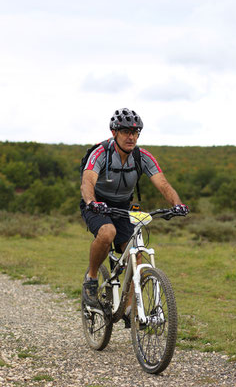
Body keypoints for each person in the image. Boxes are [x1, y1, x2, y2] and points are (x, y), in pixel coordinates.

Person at [80, 108, 189, 311]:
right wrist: (91, 202)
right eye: (126, 131)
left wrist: (177, 204)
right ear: (114, 133)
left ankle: (129, 309)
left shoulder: (142, 156)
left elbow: (163, 184)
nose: (131, 137)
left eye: (135, 132)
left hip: (122, 207)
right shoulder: (101, 153)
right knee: (107, 232)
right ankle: (92, 277)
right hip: (97, 203)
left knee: (136, 254)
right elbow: (87, 182)